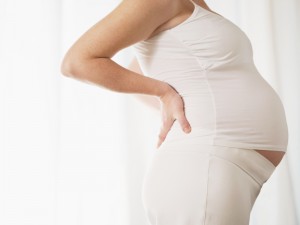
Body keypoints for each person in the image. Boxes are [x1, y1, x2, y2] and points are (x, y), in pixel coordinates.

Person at [60, 0, 289, 224]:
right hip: (203, 166)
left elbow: (138, 68)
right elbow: (77, 62)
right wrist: (163, 93)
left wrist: (178, 104)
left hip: (222, 166)